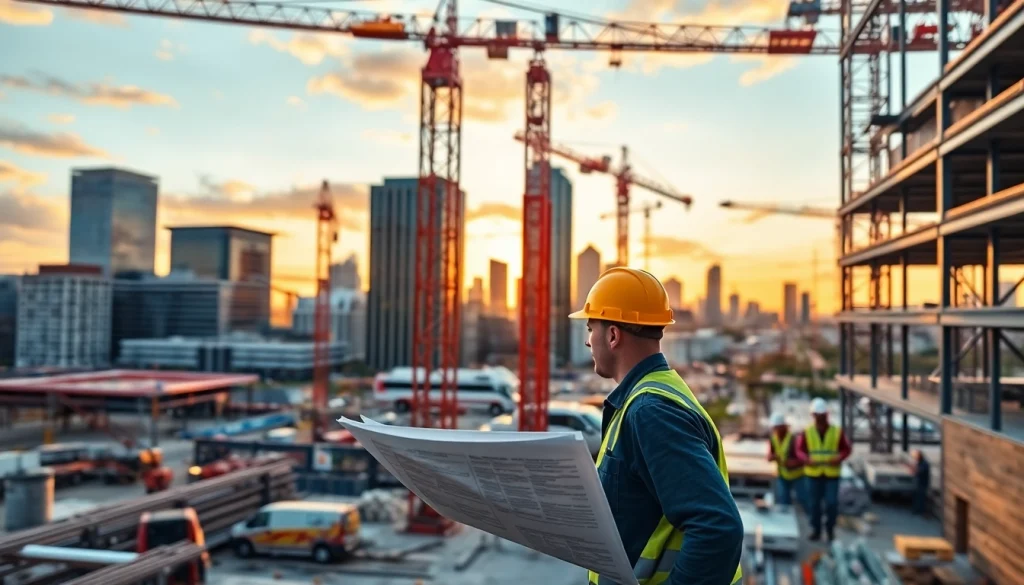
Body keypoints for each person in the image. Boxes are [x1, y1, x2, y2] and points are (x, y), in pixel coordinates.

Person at [570, 267, 744, 585]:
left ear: (612, 335)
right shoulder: (652, 394)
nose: (587, 341)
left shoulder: (651, 411)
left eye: (590, 327)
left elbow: (717, 527)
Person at [793, 398, 851, 542]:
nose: (819, 418)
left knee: (831, 503)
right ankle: (816, 530)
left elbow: (846, 449)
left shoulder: (836, 432)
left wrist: (839, 457)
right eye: (816, 415)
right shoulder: (808, 432)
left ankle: (830, 530)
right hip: (813, 474)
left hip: (831, 474)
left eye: (821, 415)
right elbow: (800, 450)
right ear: (813, 416)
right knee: (814, 504)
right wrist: (806, 459)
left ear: (826, 415)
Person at [766, 412, 804, 508]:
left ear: (783, 427)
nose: (776, 430)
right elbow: (770, 455)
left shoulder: (794, 439)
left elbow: (802, 459)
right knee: (783, 502)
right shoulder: (773, 439)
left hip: (798, 476)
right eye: (774, 428)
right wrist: (772, 457)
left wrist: (792, 463)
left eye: (777, 427)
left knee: (803, 499)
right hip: (783, 475)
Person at [908, 449, 930, 515]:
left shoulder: (924, 464)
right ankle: (917, 510)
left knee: (920, 498)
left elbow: (919, 471)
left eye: (916, 457)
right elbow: (916, 469)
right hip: (919, 483)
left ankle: (920, 511)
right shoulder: (920, 462)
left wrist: (913, 470)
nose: (915, 458)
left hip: (922, 483)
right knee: (917, 497)